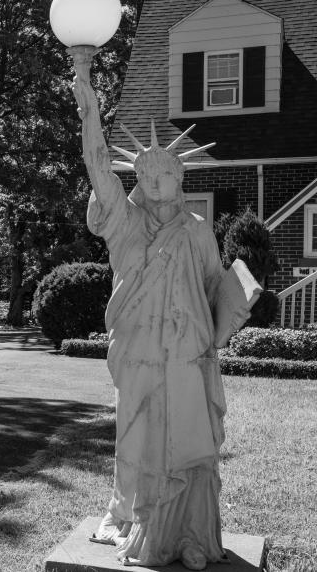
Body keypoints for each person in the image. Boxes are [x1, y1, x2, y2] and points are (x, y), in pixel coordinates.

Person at [68, 46, 229, 570]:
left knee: (184, 435)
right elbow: (96, 162)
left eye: (167, 172)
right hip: (137, 345)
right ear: (137, 179)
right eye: (148, 172)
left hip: (184, 350)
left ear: (181, 181)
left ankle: (186, 532)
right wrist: (87, 91)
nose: (157, 180)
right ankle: (131, 516)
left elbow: (212, 288)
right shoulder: (124, 222)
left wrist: (228, 315)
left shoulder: (199, 233)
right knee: (134, 432)